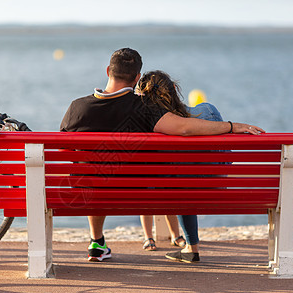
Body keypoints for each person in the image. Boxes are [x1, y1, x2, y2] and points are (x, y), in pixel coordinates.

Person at [60, 48, 264, 262]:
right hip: (139, 195)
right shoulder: (144, 107)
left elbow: (65, 154)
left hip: (92, 191)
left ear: (108, 70)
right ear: (137, 77)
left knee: (95, 173)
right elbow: (184, 127)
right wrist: (231, 126)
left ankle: (97, 242)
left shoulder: (77, 108)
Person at [136, 70, 227, 262]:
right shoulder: (208, 111)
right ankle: (190, 247)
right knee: (188, 180)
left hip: (173, 195)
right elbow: (226, 158)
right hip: (218, 190)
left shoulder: (149, 126)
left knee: (182, 184)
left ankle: (192, 247)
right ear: (175, 89)